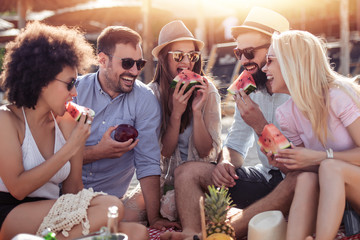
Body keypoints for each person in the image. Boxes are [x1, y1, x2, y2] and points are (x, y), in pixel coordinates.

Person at [160, 7, 299, 240]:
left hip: (295, 182)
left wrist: (260, 126)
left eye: (250, 52)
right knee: (186, 172)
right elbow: (235, 143)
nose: (244, 61)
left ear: (279, 50)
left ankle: (214, 235)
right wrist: (225, 162)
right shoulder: (248, 88)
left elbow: (295, 166)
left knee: (295, 182)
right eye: (239, 53)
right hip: (265, 177)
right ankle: (192, 232)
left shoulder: (302, 92)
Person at [0, 21, 148, 240]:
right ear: (42, 81)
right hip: (12, 212)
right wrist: (70, 148)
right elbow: (18, 188)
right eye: (70, 84)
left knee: (138, 232)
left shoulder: (68, 122)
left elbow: (72, 192)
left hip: (55, 211)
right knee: (110, 207)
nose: (75, 92)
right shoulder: (6, 119)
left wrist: (77, 143)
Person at [74, 25, 178, 230]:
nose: (135, 71)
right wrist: (97, 152)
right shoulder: (74, 91)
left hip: (109, 202)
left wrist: (154, 218)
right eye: (128, 63)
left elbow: (147, 162)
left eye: (139, 64)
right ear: (102, 60)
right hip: (61, 194)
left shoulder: (145, 100)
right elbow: (52, 156)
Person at [262, 30, 360, 240]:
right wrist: (285, 162)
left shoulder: (338, 95)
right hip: (337, 195)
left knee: (330, 167)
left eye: (270, 60)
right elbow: (309, 167)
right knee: (306, 178)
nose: (264, 68)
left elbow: (323, 163)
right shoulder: (286, 114)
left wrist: (323, 157)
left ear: (292, 62)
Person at [148, 20, 222, 221]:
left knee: (174, 210)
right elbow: (164, 151)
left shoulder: (208, 91)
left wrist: (197, 111)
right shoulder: (152, 94)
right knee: (129, 212)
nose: (187, 62)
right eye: (179, 55)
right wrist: (176, 114)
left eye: (192, 55)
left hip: (198, 179)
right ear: (164, 59)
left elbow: (207, 151)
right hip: (165, 181)